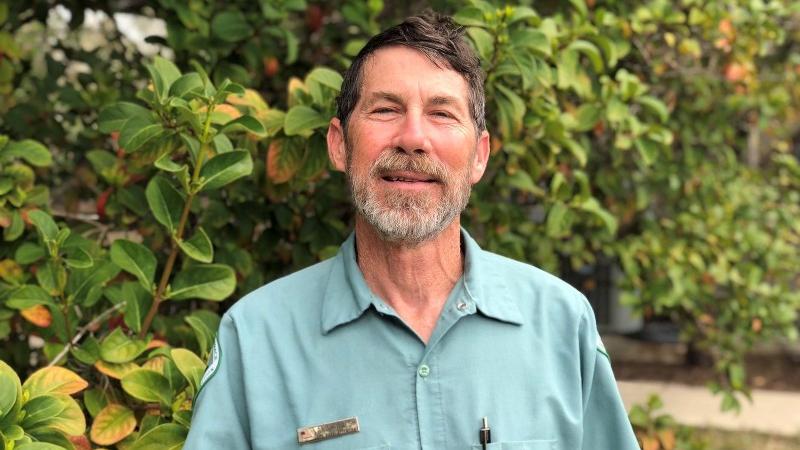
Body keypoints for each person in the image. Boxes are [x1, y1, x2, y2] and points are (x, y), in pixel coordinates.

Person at [184, 13, 639, 450]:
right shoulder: (257, 338)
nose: (413, 137)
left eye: (442, 113)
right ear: (339, 145)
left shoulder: (561, 324)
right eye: (386, 109)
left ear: (479, 156)